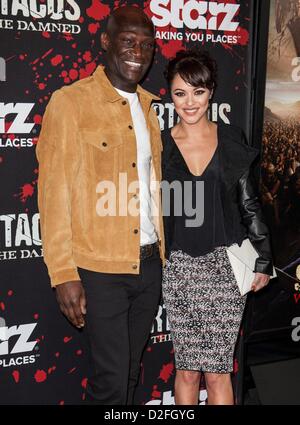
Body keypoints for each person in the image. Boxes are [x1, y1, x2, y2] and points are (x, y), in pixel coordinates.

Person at [36, 6, 165, 405]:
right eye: (128, 41)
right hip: (99, 270)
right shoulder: (70, 102)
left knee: (127, 376)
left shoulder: (149, 108)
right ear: (106, 42)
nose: (138, 52)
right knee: (111, 382)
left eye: (146, 45)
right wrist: (63, 273)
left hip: (148, 266)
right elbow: (53, 193)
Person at [161, 50, 273, 405]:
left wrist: (263, 258)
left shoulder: (230, 138)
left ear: (211, 92)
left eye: (198, 91)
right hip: (178, 269)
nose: (189, 102)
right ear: (170, 95)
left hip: (225, 267)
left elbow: (249, 204)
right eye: (180, 93)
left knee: (218, 371)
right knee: (187, 370)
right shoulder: (159, 144)